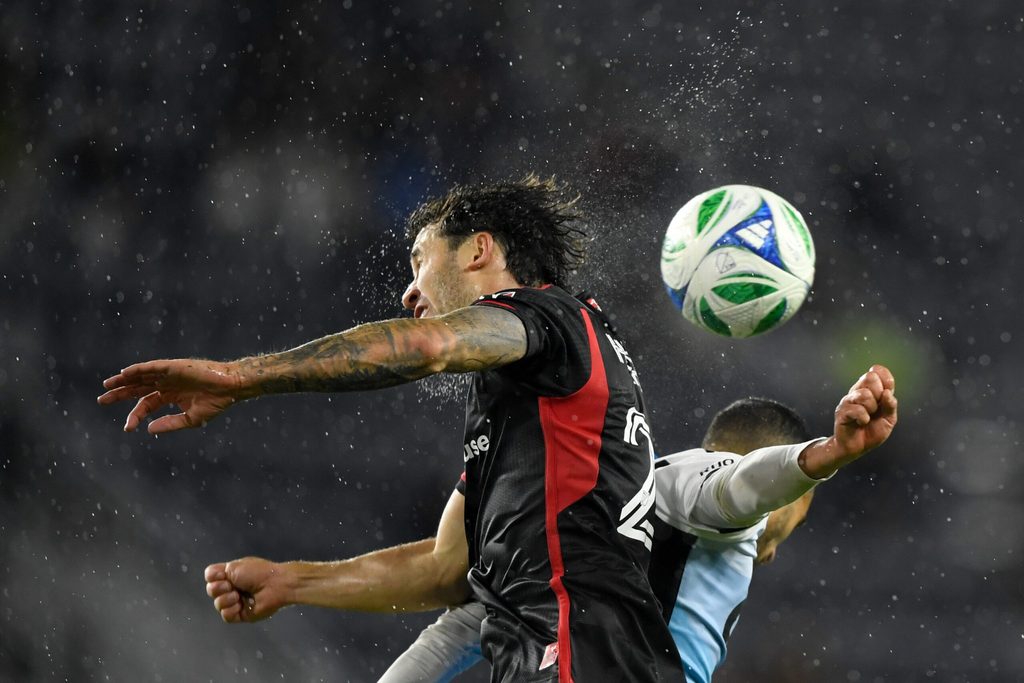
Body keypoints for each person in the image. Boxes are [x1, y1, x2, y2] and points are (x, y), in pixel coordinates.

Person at [99, 176, 685, 682]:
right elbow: (444, 568)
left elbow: (427, 348)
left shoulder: (547, 316)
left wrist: (241, 377)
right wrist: (292, 581)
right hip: (593, 653)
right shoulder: (538, 398)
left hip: (579, 655)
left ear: (479, 250)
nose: (409, 292)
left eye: (420, 261)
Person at [203, 366, 898, 683]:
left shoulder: (585, 529)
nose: (785, 536)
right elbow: (739, 487)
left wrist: (295, 581)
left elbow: (464, 615)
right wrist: (823, 457)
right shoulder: (690, 486)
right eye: (800, 507)